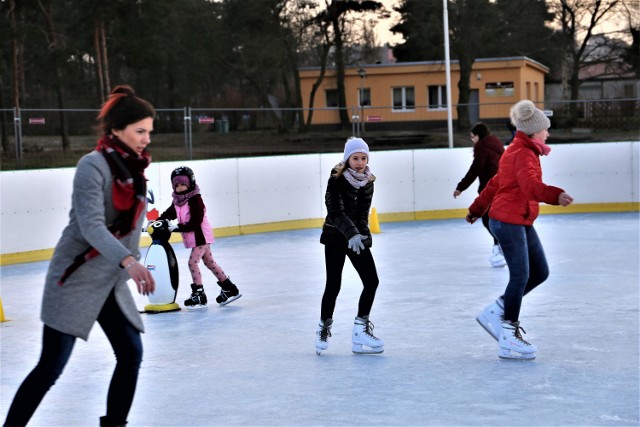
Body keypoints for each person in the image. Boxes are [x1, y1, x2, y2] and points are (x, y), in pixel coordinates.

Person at [3, 85, 156, 427]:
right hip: (75, 277)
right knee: (50, 368)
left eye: (149, 131)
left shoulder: (136, 168)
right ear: (117, 130)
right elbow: (91, 226)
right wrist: (129, 261)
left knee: (131, 353)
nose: (146, 139)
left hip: (110, 281)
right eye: (140, 131)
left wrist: (128, 261)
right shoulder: (93, 165)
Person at [466, 99, 574, 360]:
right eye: (545, 129)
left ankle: (499, 308)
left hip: (518, 219)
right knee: (521, 275)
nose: (548, 133)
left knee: (540, 272)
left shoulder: (519, 150)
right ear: (533, 131)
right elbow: (531, 187)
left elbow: (494, 184)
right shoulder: (523, 153)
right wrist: (555, 194)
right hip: (507, 221)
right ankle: (508, 334)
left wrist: (476, 208)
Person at [315, 137, 383, 355]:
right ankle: (323, 328)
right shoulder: (336, 178)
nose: (360, 162)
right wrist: (351, 234)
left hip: (356, 238)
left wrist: (364, 238)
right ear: (347, 159)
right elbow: (335, 211)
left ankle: (360, 331)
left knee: (371, 281)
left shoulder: (368, 181)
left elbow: (363, 214)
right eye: (355, 158)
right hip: (336, 236)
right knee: (334, 284)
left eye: (364, 158)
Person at [158, 166, 241, 309]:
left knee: (192, 263)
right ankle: (229, 288)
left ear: (190, 183)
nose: (180, 188)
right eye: (176, 185)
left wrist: (176, 228)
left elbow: (195, 223)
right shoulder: (177, 200)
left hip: (201, 237)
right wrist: (157, 221)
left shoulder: (195, 200)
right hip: (196, 238)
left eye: (183, 184)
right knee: (210, 263)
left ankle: (199, 295)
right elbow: (169, 214)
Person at [453, 122, 506, 267]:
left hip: (490, 188)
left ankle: (502, 246)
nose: (472, 140)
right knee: (493, 219)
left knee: (488, 220)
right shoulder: (496, 143)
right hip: (503, 186)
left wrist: (461, 187)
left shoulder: (482, 147)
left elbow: (475, 169)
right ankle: (499, 246)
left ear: (478, 135)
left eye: (473, 137)